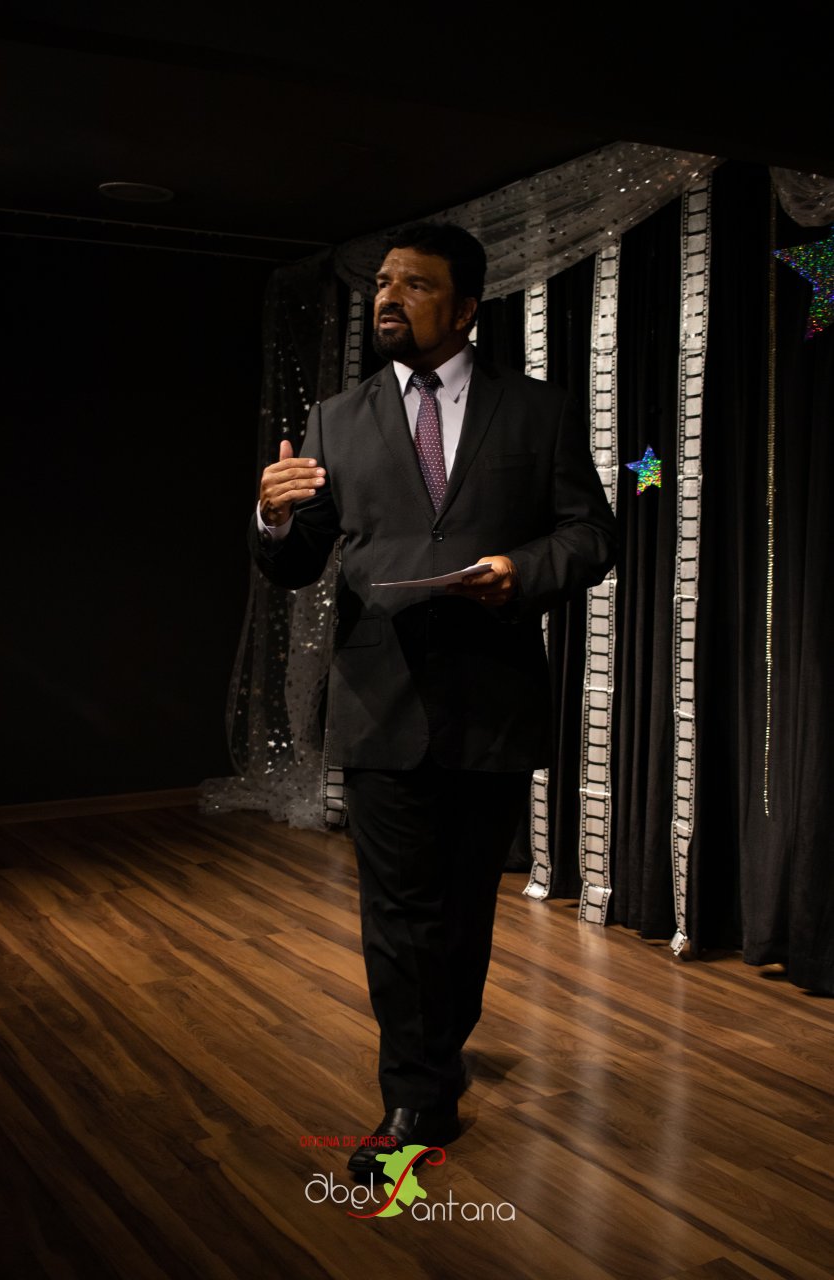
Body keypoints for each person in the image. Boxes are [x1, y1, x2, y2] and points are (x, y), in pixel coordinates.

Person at [251, 222, 617, 1179]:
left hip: (491, 698)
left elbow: (590, 534)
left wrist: (521, 569)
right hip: (380, 699)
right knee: (399, 909)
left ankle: (439, 1046)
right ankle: (414, 1094)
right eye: (382, 282)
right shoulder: (336, 418)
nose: (388, 296)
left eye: (413, 285)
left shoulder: (536, 411)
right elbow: (295, 563)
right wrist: (273, 516)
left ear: (464, 309)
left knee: (460, 908)